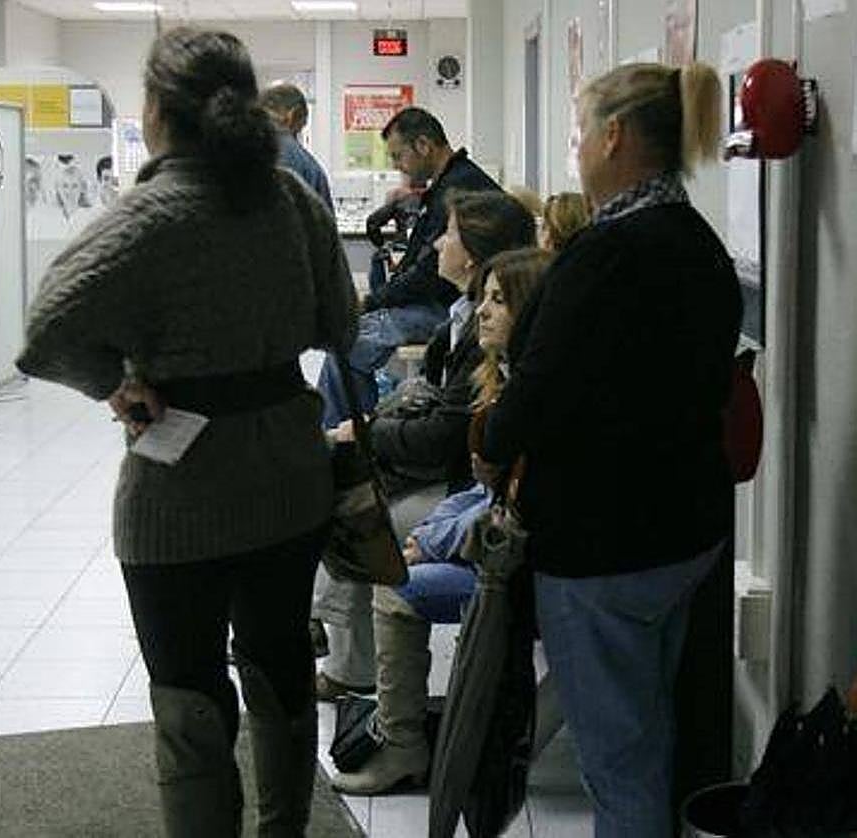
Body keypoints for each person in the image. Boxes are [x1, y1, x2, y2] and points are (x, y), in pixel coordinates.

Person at [16, 27, 358, 837]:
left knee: (188, 691)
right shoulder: (293, 202)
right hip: (286, 473)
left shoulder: (147, 215)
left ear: (158, 114)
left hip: (178, 491)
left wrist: (117, 383)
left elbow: (45, 332)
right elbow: (341, 323)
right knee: (279, 665)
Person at [476, 62, 741, 838]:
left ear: (615, 135)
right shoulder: (699, 245)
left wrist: (490, 442)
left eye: (580, 131)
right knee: (647, 731)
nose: (577, 148)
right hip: (685, 533)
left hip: (604, 547)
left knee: (618, 760)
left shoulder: (608, 255)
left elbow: (537, 391)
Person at [331, 247, 553, 795]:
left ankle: (402, 743)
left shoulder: (532, 396)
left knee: (394, 588)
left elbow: (508, 506)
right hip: (493, 536)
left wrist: (431, 543)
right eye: (482, 298)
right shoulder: (497, 376)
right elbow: (480, 492)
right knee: (368, 525)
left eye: (498, 302)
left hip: (528, 565)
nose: (481, 312)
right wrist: (432, 537)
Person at [313, 191, 536, 703]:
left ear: (476, 256)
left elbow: (442, 439)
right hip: (454, 487)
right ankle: (339, 644)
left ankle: (352, 668)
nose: (437, 241)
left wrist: (367, 432)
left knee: (357, 516)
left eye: (450, 232)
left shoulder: (486, 341)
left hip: (454, 488)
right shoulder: (462, 319)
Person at [316, 106, 499, 428]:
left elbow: (429, 274)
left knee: (346, 342)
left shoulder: (459, 189)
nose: (396, 165)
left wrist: (371, 302)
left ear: (424, 146)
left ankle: (346, 437)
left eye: (399, 156)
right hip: (447, 302)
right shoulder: (452, 183)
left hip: (444, 306)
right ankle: (348, 431)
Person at [260, 83, 333, 212]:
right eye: (301, 126)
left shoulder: (232, 154)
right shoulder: (309, 168)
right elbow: (325, 228)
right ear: (293, 115)